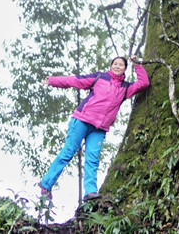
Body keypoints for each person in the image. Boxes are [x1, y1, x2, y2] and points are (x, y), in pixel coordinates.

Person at [39, 55, 149, 202]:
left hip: (99, 129)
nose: (117, 66)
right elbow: (74, 81)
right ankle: (46, 185)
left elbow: (144, 83)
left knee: (92, 160)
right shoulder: (100, 78)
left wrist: (137, 64)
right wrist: (52, 81)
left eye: (121, 65)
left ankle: (90, 192)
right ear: (111, 66)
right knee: (68, 153)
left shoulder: (125, 88)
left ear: (124, 69)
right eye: (114, 64)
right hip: (82, 121)